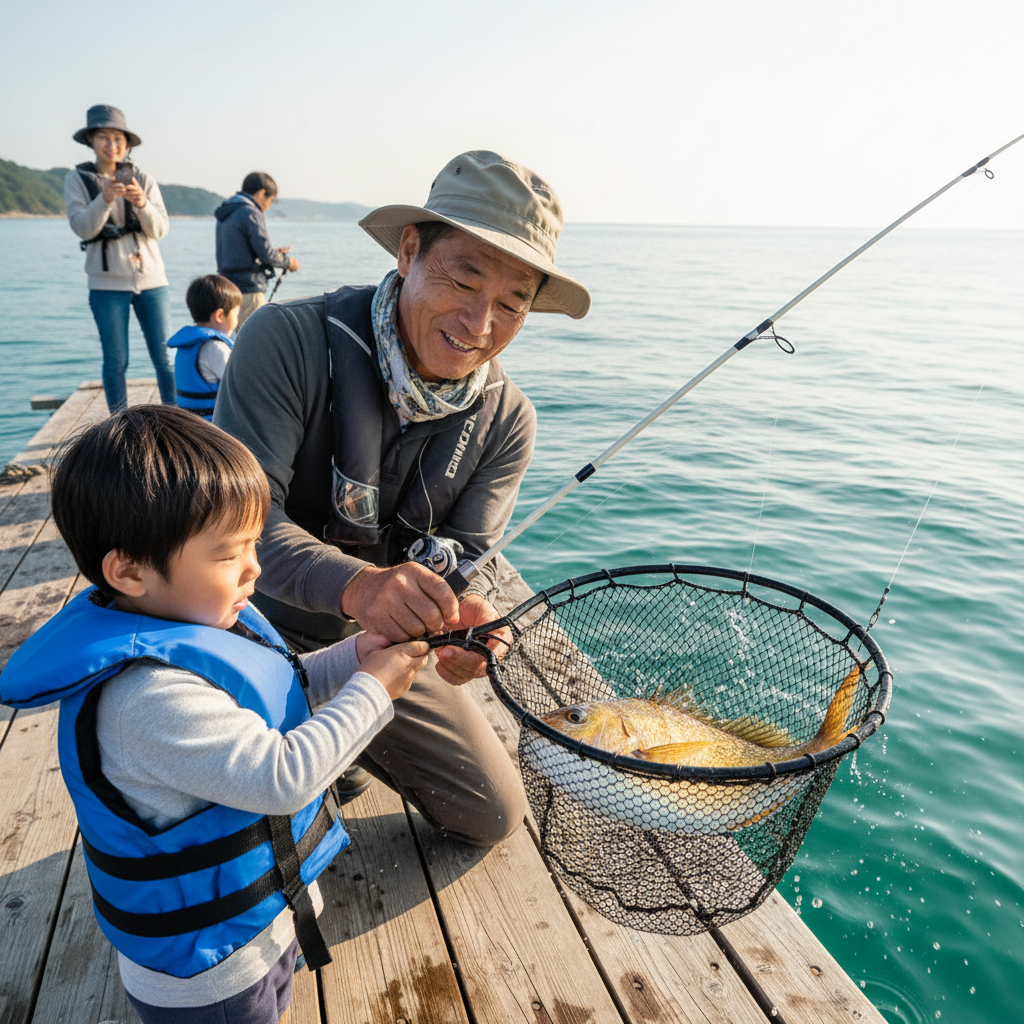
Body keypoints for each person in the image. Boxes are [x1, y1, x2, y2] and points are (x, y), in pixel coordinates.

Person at [0, 405, 429, 1024]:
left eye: (255, 543)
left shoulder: (203, 617)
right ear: (130, 571)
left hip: (259, 923)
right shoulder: (145, 698)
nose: (255, 567)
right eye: (231, 554)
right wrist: (374, 690)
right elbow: (280, 778)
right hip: (210, 970)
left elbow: (288, 687)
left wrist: (356, 655)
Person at [214, 149, 591, 834]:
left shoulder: (509, 421)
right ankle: (326, 741)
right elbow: (232, 528)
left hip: (384, 644)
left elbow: (467, 556)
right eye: (465, 278)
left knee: (492, 816)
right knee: (233, 826)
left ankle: (346, 741)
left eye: (512, 303)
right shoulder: (287, 340)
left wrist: (468, 622)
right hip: (247, 616)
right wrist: (361, 586)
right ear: (409, 251)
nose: (480, 322)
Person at [64, 104, 176, 412]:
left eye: (118, 138)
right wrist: (105, 197)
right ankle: (118, 424)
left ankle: (178, 418)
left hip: (152, 280)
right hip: (105, 284)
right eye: (104, 137)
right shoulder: (78, 179)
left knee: (164, 357)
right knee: (115, 361)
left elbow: (160, 229)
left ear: (126, 144)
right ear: (91, 140)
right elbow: (82, 228)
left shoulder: (144, 179)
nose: (112, 145)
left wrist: (142, 203)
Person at [215, 172, 300, 328]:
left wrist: (275, 254)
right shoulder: (251, 212)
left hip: (227, 288)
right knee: (257, 340)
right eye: (271, 200)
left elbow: (244, 250)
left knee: (235, 341)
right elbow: (266, 254)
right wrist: (289, 262)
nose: (269, 205)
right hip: (248, 291)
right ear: (261, 193)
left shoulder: (228, 210)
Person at [167, 274, 243, 419]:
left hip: (192, 423)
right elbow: (242, 385)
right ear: (220, 315)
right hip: (213, 427)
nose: (236, 321)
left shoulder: (187, 345)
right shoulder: (215, 348)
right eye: (236, 314)